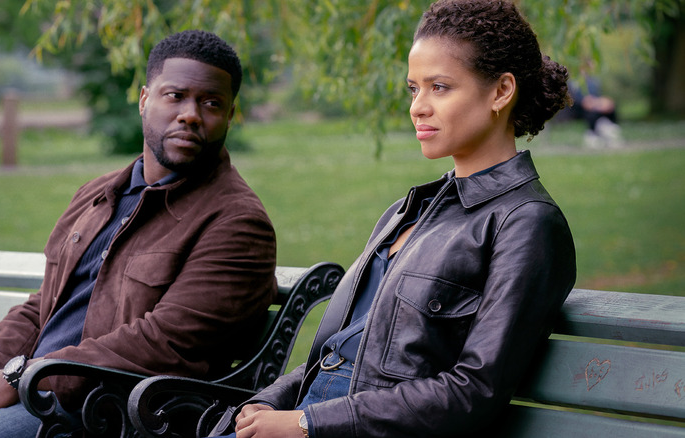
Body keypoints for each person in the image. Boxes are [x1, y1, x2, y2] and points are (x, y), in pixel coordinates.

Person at [215, 1, 576, 437]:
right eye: (413, 88)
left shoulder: (527, 223)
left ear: (501, 91)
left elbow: (474, 390)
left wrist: (306, 423)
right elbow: (343, 352)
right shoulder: (408, 211)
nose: (418, 107)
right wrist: (269, 402)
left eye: (440, 87)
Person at [0, 30, 277, 437]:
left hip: (107, 413)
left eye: (211, 103)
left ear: (228, 115)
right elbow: (41, 307)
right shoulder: (96, 196)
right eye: (175, 96)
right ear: (143, 100)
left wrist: (19, 380)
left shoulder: (237, 223)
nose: (190, 114)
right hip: (32, 392)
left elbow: (162, 343)